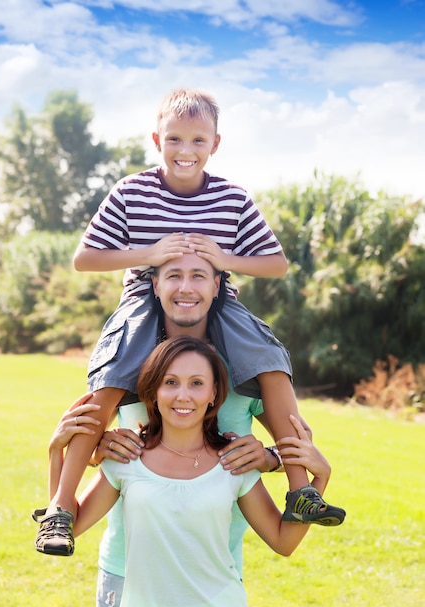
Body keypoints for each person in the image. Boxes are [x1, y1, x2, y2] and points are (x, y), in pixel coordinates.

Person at [35, 87, 345, 557]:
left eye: (198, 141)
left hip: (217, 302)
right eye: (175, 139)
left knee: (269, 359)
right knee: (110, 381)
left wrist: (226, 258)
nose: (185, 150)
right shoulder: (131, 191)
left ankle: (301, 490)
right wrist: (148, 255)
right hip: (144, 297)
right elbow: (84, 258)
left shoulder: (231, 197)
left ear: (215, 144)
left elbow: (276, 263)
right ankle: (60, 509)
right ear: (157, 139)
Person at [35, 335, 333, 607]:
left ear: (214, 393)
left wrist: (318, 479)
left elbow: (284, 541)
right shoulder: (126, 461)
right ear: (153, 391)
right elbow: (69, 524)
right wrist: (55, 451)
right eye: (171, 382)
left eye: (197, 383)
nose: (183, 395)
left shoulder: (233, 463)